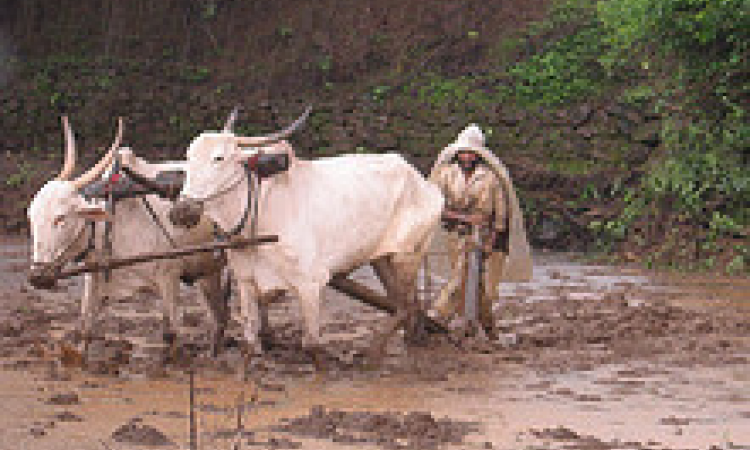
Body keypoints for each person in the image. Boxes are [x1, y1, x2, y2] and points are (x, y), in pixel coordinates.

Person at [429, 124, 533, 339]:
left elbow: (501, 214)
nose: (466, 157)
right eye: (463, 153)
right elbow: (435, 206)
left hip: (486, 237)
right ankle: (438, 317)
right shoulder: (445, 175)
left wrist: (491, 241)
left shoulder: (490, 178)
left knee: (486, 290)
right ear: (457, 153)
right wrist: (464, 218)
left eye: (471, 153)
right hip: (457, 235)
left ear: (478, 155)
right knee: (460, 279)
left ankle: (487, 328)